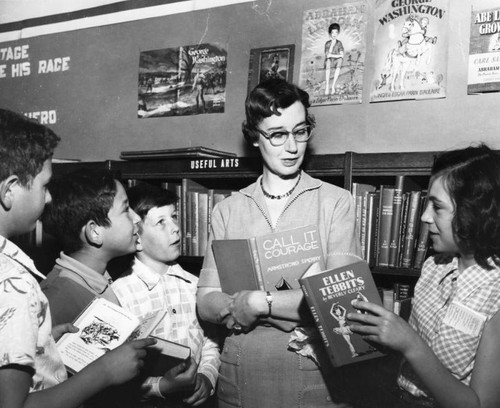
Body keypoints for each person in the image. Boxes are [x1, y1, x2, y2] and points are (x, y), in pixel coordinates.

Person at [196, 78, 361, 407]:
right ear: (255, 137)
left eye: (300, 131)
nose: (292, 147)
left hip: (311, 370)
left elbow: (341, 299)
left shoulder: (335, 202)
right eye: (277, 134)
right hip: (238, 370)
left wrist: (260, 303)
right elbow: (205, 300)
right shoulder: (227, 210)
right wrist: (234, 307)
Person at [0, 108, 154, 408]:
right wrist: (104, 373)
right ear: (9, 190)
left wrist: (43, 346)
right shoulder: (14, 281)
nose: (48, 198)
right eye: (44, 185)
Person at [348, 144, 500, 408]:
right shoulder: (433, 266)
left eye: (437, 207)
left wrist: (410, 343)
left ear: (475, 213)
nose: (424, 216)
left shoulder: (496, 293)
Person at [112, 183, 221, 407]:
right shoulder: (118, 293)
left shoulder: (196, 286)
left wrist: (207, 376)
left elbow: (211, 341)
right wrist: (160, 386)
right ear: (137, 237)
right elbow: (112, 371)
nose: (175, 228)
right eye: (161, 222)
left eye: (174, 217)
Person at [41, 169, 141, 326]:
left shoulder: (98, 276)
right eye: (126, 210)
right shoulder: (58, 297)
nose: (137, 218)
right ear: (94, 232)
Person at [324, 23, 344, 95]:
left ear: (338, 33)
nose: (334, 34)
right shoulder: (327, 43)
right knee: (328, 61)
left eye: (336, 32)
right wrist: (332, 45)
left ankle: (333, 86)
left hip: (336, 62)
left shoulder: (339, 43)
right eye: (332, 32)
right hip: (329, 62)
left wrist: (333, 55)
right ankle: (327, 86)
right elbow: (327, 56)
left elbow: (342, 55)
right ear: (330, 33)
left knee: (340, 60)